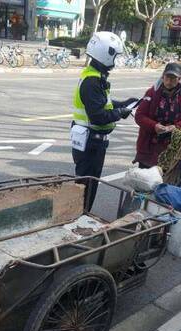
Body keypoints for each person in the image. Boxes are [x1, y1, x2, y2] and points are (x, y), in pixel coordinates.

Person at [71, 31, 138, 210]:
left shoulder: (94, 76)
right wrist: (121, 112)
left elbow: (103, 103)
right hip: (90, 144)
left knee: (86, 186)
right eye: (115, 56)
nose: (115, 62)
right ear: (106, 54)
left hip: (90, 142)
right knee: (86, 188)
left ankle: (80, 216)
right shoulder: (92, 82)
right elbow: (99, 116)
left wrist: (123, 104)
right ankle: (79, 220)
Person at [133, 62, 181, 171]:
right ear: (163, 76)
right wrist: (154, 126)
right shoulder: (152, 93)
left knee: (166, 183)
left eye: (173, 78)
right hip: (149, 146)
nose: (169, 81)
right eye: (167, 77)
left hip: (171, 148)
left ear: (179, 79)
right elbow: (139, 115)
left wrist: (176, 127)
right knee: (145, 182)